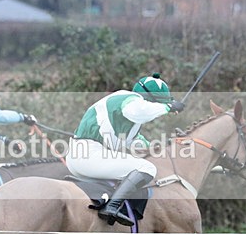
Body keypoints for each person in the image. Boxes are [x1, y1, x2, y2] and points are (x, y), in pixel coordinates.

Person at [66, 73, 185, 226]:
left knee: (139, 166)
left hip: (86, 156)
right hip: (90, 155)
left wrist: (165, 147)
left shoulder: (129, 118)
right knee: (147, 168)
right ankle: (111, 207)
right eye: (157, 102)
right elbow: (138, 111)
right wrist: (167, 107)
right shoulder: (129, 100)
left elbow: (135, 142)